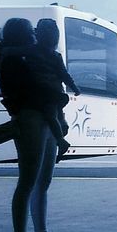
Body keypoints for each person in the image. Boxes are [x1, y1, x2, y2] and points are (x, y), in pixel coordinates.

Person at [0, 17, 72, 232]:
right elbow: (42, 91)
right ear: (21, 34)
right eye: (30, 31)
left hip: (41, 120)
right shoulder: (15, 59)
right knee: (29, 181)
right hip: (31, 120)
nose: (35, 34)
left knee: (40, 181)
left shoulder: (21, 57)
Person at [29, 18, 80, 159]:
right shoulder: (55, 56)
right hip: (55, 93)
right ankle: (60, 139)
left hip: (45, 94)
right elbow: (64, 75)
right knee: (57, 116)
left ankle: (61, 141)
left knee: (52, 116)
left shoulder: (31, 53)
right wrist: (74, 87)